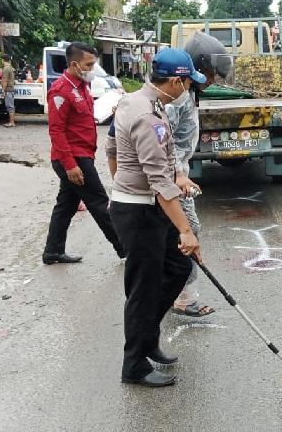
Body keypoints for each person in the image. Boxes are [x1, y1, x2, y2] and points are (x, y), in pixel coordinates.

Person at [106, 48, 205, 387]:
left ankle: (147, 338)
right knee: (143, 290)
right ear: (176, 80)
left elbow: (113, 149)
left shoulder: (139, 101)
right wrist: (186, 230)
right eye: (189, 83)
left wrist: (176, 176)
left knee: (178, 267)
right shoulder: (147, 115)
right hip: (139, 210)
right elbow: (158, 181)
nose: (189, 89)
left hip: (145, 206)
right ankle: (133, 365)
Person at [166, 31, 232, 318]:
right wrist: (178, 175)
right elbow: (162, 141)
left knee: (180, 234)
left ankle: (176, 292)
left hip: (179, 172)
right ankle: (182, 297)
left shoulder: (188, 93)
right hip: (170, 176)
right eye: (210, 73)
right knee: (187, 232)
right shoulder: (177, 98)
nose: (213, 80)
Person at [42, 41, 125, 265]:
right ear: (74, 63)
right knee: (99, 202)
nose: (91, 69)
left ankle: (52, 251)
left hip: (83, 154)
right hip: (72, 158)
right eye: (88, 64)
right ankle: (125, 248)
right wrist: (70, 165)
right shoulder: (60, 90)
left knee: (66, 206)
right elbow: (56, 131)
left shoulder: (81, 86)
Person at [0, 54, 16, 128]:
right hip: (11, 88)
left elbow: (5, 80)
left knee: (10, 106)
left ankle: (12, 122)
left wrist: (3, 90)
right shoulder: (11, 68)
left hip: (8, 89)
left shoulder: (6, 69)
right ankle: (11, 121)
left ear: (3, 60)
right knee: (10, 106)